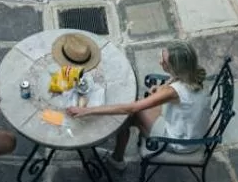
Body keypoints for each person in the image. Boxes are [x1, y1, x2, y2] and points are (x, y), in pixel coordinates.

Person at [68, 42, 212, 166]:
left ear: (175, 67)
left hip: (180, 142)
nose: (160, 62)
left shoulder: (173, 92)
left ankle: (117, 158)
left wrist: (87, 111)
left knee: (128, 116)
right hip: (189, 128)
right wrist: (162, 88)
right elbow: (175, 84)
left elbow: (132, 107)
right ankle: (117, 147)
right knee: (132, 113)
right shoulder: (192, 72)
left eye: (164, 61)